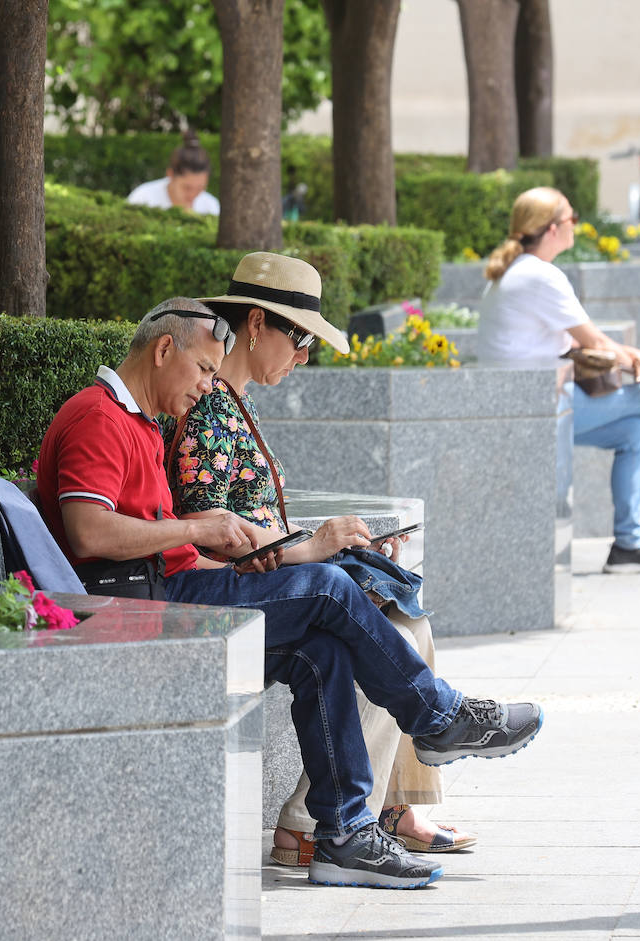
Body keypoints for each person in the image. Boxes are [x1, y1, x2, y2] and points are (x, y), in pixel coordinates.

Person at [35, 295, 544, 889]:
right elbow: (89, 531)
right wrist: (199, 528)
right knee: (327, 589)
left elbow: (163, 536)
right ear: (163, 349)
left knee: (319, 650)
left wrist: (247, 550)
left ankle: (344, 836)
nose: (207, 386)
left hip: (169, 590)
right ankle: (436, 716)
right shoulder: (99, 416)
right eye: (202, 369)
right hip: (141, 606)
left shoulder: (143, 420)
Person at [161, 252, 475, 867]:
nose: (304, 355)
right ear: (256, 324)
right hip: (217, 592)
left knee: (397, 612)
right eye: (299, 337)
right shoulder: (211, 409)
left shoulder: (231, 402)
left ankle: (367, 810)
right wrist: (316, 547)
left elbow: (248, 524)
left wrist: (336, 544)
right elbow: (214, 538)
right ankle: (344, 811)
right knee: (394, 623)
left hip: (258, 581)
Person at [476, 187, 640, 574]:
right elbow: (593, 342)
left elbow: (589, 342)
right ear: (553, 228)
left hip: (524, 402)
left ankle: (629, 546)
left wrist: (633, 357)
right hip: (536, 405)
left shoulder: (514, 272)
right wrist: (639, 360)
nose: (577, 225)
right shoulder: (540, 276)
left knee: (635, 434)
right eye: (573, 219)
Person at [126, 130, 220, 216]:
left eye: (200, 188)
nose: (192, 195)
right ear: (170, 174)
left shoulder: (210, 206)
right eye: (187, 188)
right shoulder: (143, 198)